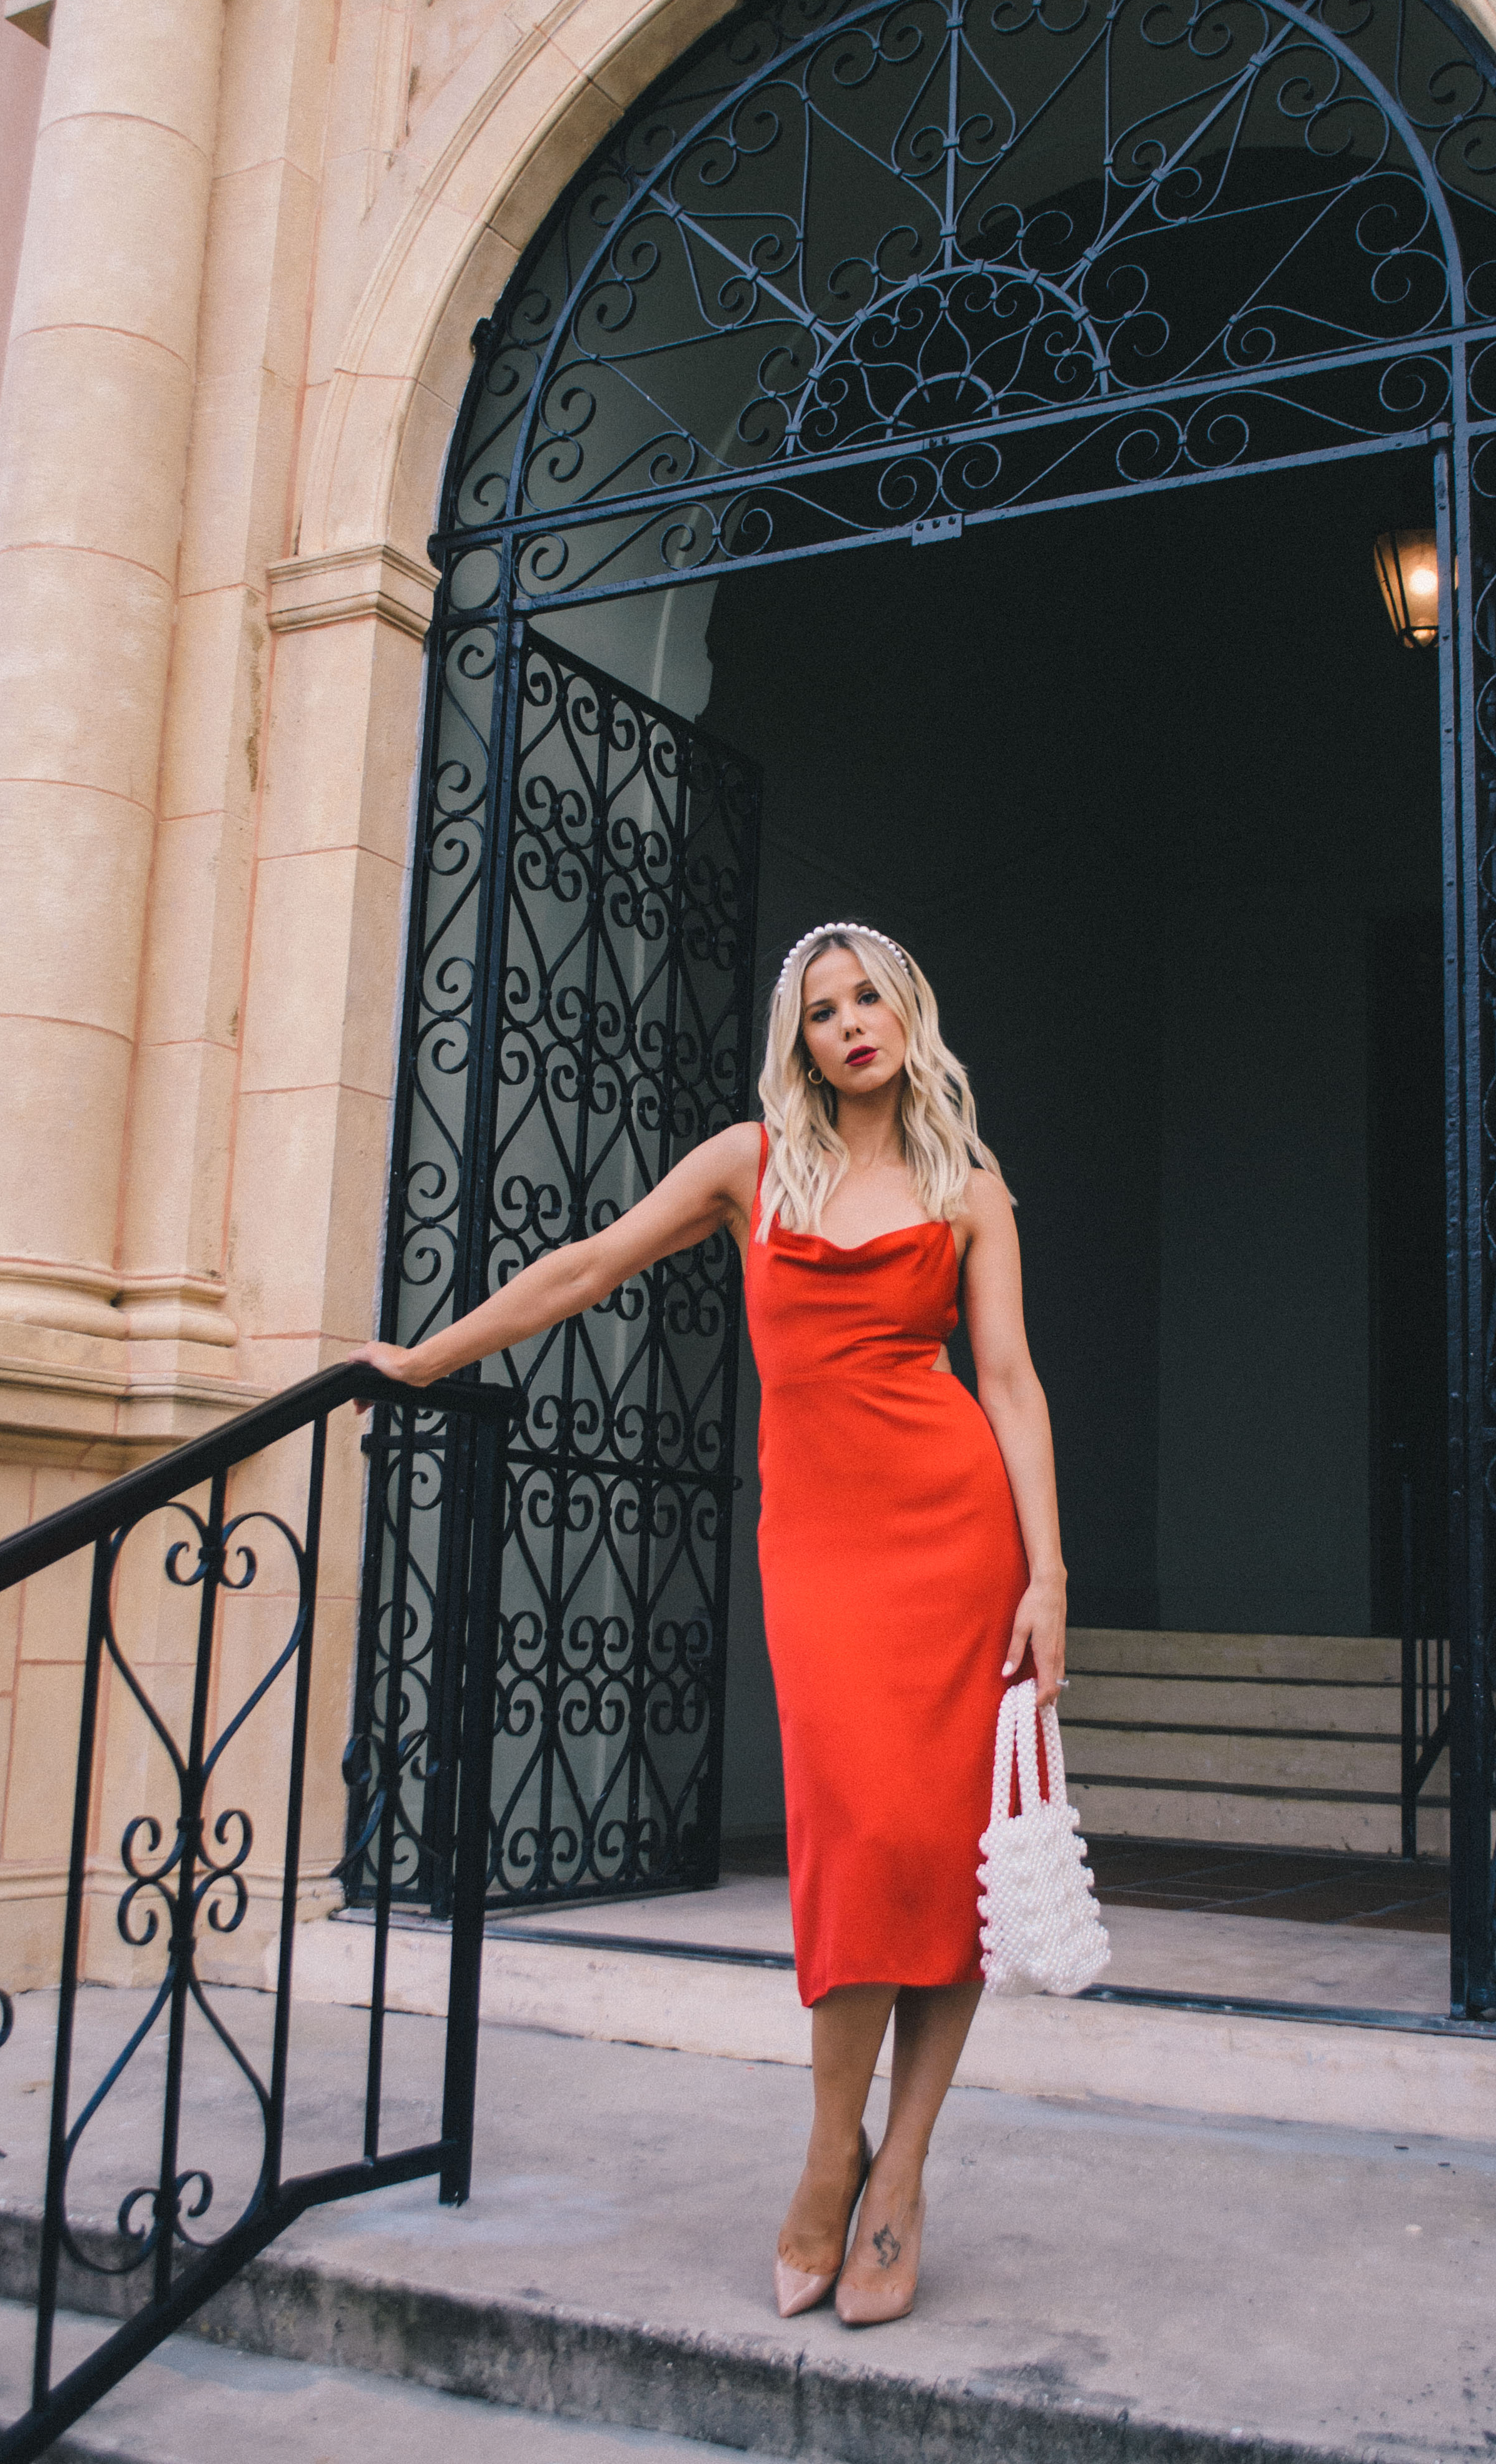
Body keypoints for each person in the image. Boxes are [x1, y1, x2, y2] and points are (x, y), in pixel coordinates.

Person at [354, 922, 1069, 2327]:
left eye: (872, 1000)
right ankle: (826, 2155)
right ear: (796, 1039)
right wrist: (428, 1357)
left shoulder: (969, 1188)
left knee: (944, 1860)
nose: (852, 1025)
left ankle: (898, 2177)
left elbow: (1011, 1384)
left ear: (909, 1015)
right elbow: (587, 1267)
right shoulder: (751, 1165)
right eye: (823, 1010)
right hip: (822, 1558)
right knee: (859, 1849)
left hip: (957, 1542)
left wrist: (1050, 1578)